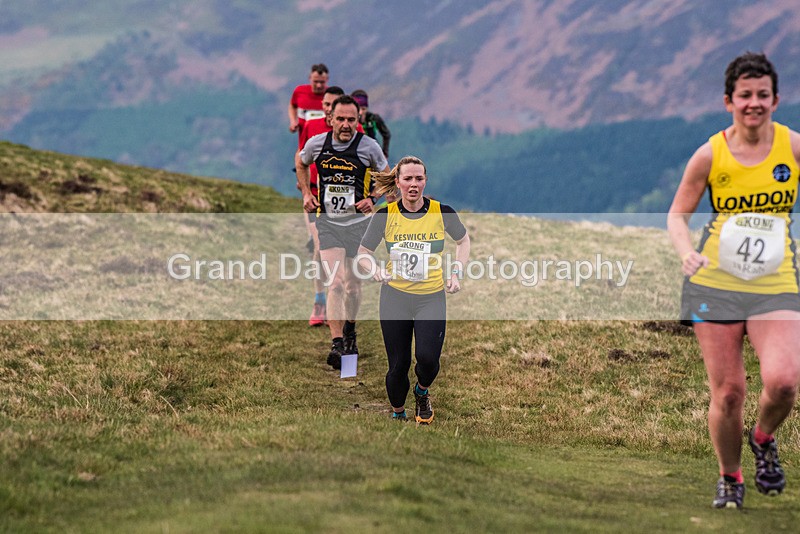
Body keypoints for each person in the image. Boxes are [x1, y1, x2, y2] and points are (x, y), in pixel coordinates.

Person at [667, 52, 800, 510]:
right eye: (745, 96)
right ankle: (730, 477)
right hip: (715, 282)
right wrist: (686, 252)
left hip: (775, 281)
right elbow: (677, 216)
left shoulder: (793, 148)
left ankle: (762, 439)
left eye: (762, 95)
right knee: (728, 393)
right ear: (729, 101)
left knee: (783, 382)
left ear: (776, 99)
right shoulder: (711, 154)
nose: (754, 103)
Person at [356, 156, 470, 423]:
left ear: (425, 180)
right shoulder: (385, 216)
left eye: (419, 178)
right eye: (407, 179)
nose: (413, 184)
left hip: (430, 296)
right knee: (398, 366)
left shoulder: (442, 212)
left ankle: (422, 391)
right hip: (395, 297)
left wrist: (456, 272)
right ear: (397, 182)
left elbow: (463, 241)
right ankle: (398, 413)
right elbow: (362, 253)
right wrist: (375, 270)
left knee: (428, 360)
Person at [296, 95, 389, 369]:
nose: (346, 124)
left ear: (358, 120)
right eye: (341, 119)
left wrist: (373, 198)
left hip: (358, 227)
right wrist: (305, 192)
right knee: (335, 283)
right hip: (329, 224)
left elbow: (389, 177)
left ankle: (350, 328)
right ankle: (337, 344)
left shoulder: (368, 147)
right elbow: (301, 162)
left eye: (351, 119)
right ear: (330, 119)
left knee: (352, 286)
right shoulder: (317, 144)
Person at [297, 85, 346, 326]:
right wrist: (305, 190)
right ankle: (320, 299)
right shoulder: (311, 126)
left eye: (332, 104)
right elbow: (301, 158)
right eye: (325, 104)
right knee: (319, 246)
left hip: (345, 204)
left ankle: (337, 298)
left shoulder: (353, 129)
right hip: (317, 198)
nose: (327, 109)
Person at [288, 63, 329, 148]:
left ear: (327, 80)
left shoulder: (332, 95)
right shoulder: (299, 91)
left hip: (326, 146)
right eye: (316, 81)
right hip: (304, 145)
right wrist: (293, 121)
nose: (319, 85)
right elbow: (292, 105)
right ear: (310, 78)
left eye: (322, 82)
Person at [351, 89, 391, 159]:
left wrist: (385, 153)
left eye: (363, 109)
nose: (360, 112)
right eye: (358, 109)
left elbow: (386, 134)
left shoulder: (374, 118)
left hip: (373, 154)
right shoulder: (349, 121)